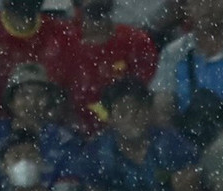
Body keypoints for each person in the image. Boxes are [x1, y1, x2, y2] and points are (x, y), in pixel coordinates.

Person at [81, 78, 204, 191]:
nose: (132, 117)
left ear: (149, 111)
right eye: (123, 112)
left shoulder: (172, 143)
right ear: (110, 119)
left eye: (138, 109)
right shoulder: (98, 153)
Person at [56, 0, 159, 139]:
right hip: (76, 138)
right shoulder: (63, 43)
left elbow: (146, 100)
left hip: (130, 134)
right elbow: (57, 101)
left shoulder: (136, 40)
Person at [151, 0, 223, 138]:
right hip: (186, 138)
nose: (206, 7)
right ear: (187, 9)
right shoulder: (173, 53)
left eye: (212, 1)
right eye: (198, 2)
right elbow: (162, 108)